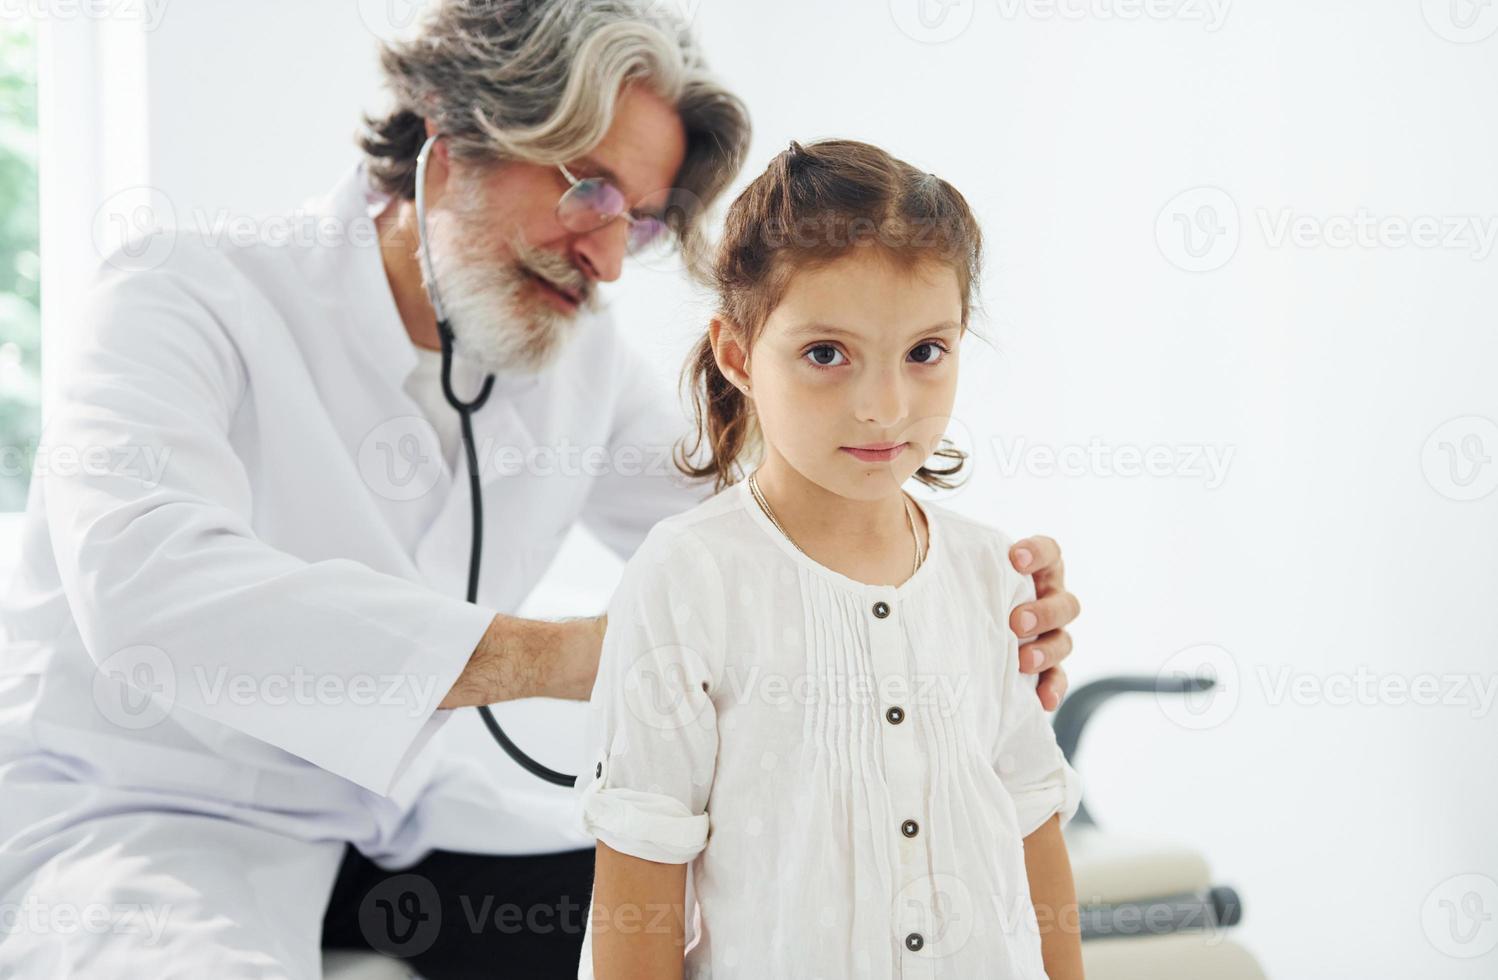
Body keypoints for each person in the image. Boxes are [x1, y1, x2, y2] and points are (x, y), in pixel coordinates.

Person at [0, 4, 1083, 977]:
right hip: (140, 811)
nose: (607, 258)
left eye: (641, 220)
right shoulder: (183, 292)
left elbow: (758, 534)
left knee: (730, 905)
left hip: (395, 819)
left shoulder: (575, 359)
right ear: (454, 132)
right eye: (588, 186)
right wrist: (564, 654)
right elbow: (146, 587)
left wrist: (942, 591)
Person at [577, 139, 1084, 979]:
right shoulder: (690, 574)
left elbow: (1034, 827)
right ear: (737, 354)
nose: (885, 407)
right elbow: (641, 862)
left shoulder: (993, 573)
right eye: (825, 354)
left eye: (926, 352)